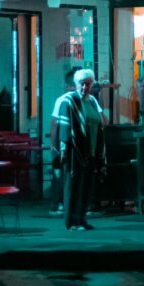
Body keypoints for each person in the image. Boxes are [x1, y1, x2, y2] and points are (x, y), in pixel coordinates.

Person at [52, 68, 106, 231]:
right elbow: (60, 127)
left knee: (87, 188)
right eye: (82, 84)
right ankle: (72, 222)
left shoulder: (92, 102)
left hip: (91, 151)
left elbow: (100, 123)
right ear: (76, 84)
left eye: (88, 84)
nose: (85, 88)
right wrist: (60, 151)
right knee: (73, 188)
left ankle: (82, 218)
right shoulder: (68, 101)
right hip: (74, 153)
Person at [48, 67, 80, 216]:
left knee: (61, 174)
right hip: (74, 144)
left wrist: (53, 145)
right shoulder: (82, 99)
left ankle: (59, 204)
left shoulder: (61, 100)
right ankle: (66, 204)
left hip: (63, 143)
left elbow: (54, 123)